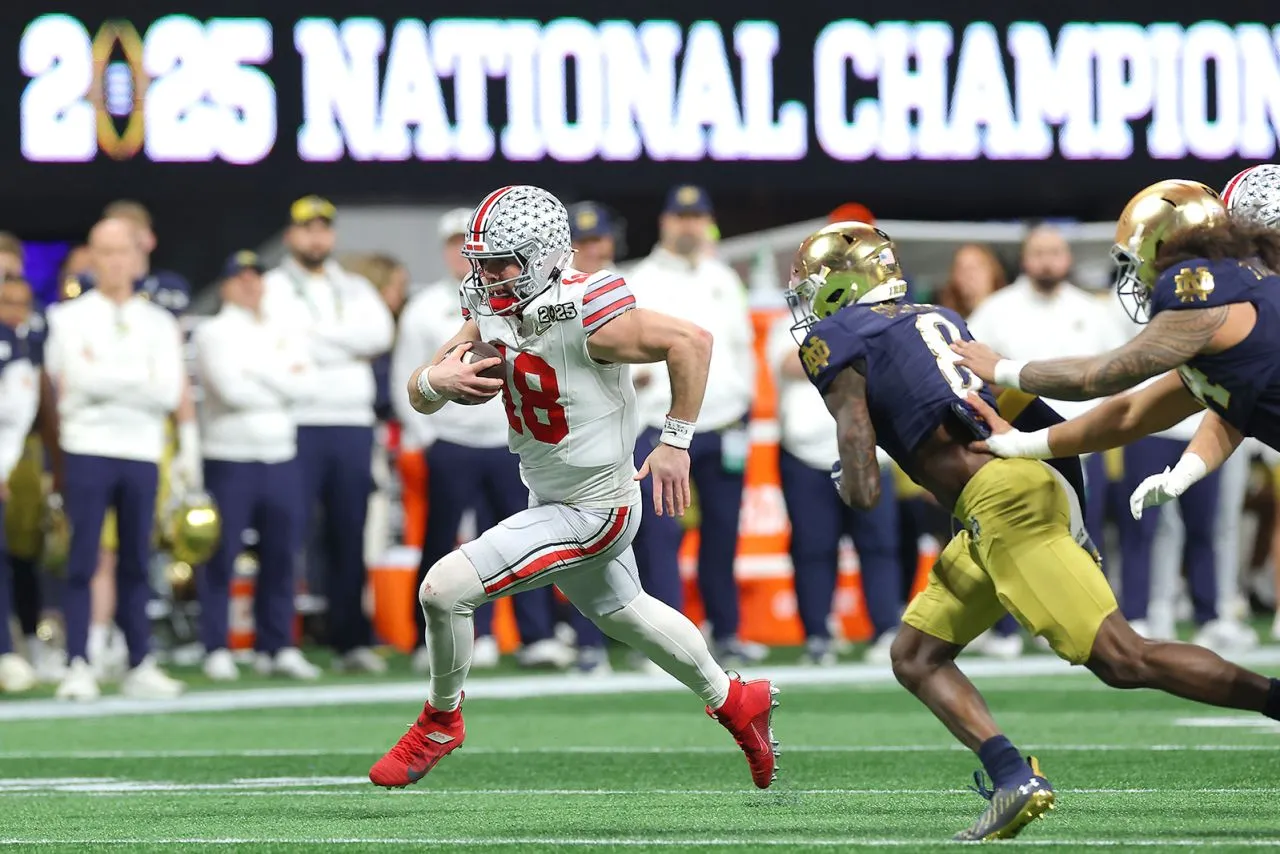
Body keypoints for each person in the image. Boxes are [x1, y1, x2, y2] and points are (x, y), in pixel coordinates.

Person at [787, 220, 1280, 841]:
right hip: (1014, 489)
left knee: (1124, 659)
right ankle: (1010, 775)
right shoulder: (936, 319)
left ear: (841, 285)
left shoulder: (838, 334)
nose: (807, 301)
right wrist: (1068, 499)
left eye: (811, 284)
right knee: (915, 654)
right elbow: (1026, 412)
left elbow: (862, 476)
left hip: (999, 505)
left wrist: (850, 477)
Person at [369, 185, 779, 791]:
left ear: (543, 256)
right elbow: (418, 394)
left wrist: (674, 442)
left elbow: (691, 342)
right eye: (481, 262)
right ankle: (735, 698)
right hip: (550, 495)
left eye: (501, 262)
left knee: (443, 590)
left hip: (594, 508)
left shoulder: (587, 307)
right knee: (625, 613)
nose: (486, 275)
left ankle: (440, 719)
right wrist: (437, 378)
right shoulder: (493, 306)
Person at [952, 180, 1280, 520]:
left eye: (1137, 260)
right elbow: (1133, 414)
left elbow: (1099, 377)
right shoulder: (1243, 301)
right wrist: (1023, 443)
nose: (1135, 276)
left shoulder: (1206, 297)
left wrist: (1003, 369)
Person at [392, 209, 569, 674]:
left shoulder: (521, 300)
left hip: (508, 439)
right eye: (454, 246)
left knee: (521, 537)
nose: (462, 255)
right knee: (440, 539)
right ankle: (431, 638)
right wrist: (427, 437)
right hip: (451, 439)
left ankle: (535, 634)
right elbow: (407, 375)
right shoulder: (425, 307)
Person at [44, 218, 186, 701]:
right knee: (83, 557)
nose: (115, 261)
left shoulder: (159, 322)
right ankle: (78, 661)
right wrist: (134, 382)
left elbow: (167, 390)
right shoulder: (68, 318)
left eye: (122, 251)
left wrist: (107, 380)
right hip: (87, 448)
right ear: (92, 257)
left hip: (142, 450)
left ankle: (138, 661)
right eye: (104, 252)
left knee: (136, 560)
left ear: (137, 255)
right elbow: (74, 383)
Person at [262, 196, 395, 673]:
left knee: (348, 532)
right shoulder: (273, 286)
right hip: (295, 420)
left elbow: (378, 335)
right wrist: (343, 342)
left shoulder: (354, 286)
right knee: (286, 534)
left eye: (323, 228)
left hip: (351, 423)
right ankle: (276, 643)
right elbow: (279, 339)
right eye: (306, 229)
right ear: (290, 235)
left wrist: (316, 340)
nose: (316, 237)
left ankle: (349, 640)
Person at [626, 185, 759, 666]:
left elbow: (741, 347)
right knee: (660, 535)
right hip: (661, 426)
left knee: (722, 534)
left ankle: (726, 632)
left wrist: (745, 401)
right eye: (681, 216)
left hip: (724, 422)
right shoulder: (639, 279)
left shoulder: (722, 276)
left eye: (697, 216)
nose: (689, 225)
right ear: (665, 222)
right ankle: (667, 641)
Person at [194, 251, 320, 681]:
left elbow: (306, 385)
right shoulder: (213, 331)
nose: (250, 284)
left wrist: (259, 374)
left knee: (283, 554)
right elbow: (230, 390)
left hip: (280, 453)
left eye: (256, 277)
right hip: (230, 455)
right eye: (240, 277)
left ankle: (278, 645)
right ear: (226, 284)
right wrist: (278, 379)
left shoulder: (283, 328)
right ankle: (215, 645)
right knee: (221, 554)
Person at [0, 279, 40, 692]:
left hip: (9, 458)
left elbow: (16, 410)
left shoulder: (9, 341)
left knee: (10, 557)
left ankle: (8, 651)